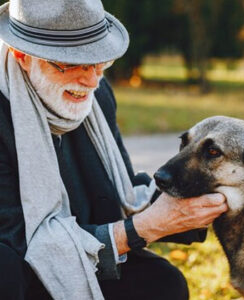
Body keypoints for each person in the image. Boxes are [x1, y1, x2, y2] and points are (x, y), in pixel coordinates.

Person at [0, 0, 228, 299]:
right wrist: (142, 229)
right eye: (71, 64)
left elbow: (120, 193)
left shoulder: (97, 94)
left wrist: (204, 194)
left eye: (99, 61)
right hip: (23, 271)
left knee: (163, 282)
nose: (91, 79)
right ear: (22, 55)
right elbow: (18, 242)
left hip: (90, 250)